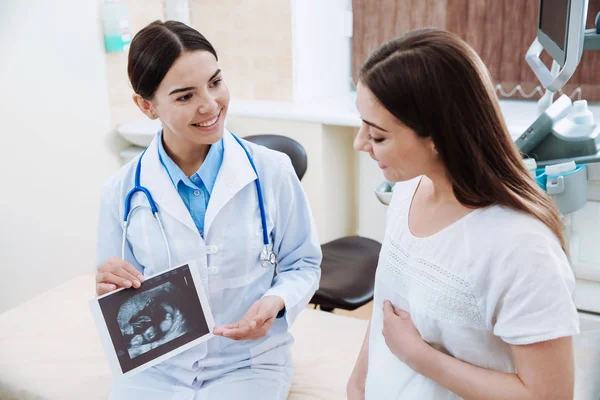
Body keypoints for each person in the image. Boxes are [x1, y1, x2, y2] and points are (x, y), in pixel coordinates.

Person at [348, 28, 579, 400]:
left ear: (437, 137)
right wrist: (357, 385)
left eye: (377, 136)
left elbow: (548, 395)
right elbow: (386, 315)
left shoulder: (520, 248)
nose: (360, 144)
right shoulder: (409, 191)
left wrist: (419, 356)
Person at [94, 20, 321, 399]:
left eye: (215, 82)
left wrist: (276, 301)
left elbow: (304, 264)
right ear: (147, 106)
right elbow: (120, 296)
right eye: (185, 96)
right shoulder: (121, 192)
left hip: (248, 360)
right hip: (157, 366)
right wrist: (107, 286)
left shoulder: (272, 170)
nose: (210, 104)